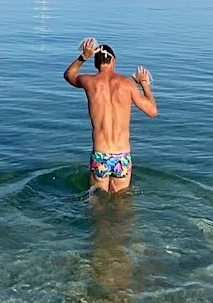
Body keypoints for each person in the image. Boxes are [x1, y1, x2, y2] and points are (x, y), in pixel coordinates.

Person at [62, 37, 157, 193]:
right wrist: (143, 82)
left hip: (100, 155)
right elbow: (152, 111)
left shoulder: (89, 81)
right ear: (114, 61)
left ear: (96, 63)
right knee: (122, 205)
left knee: (96, 205)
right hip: (122, 156)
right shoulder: (128, 84)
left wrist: (83, 56)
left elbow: (69, 75)